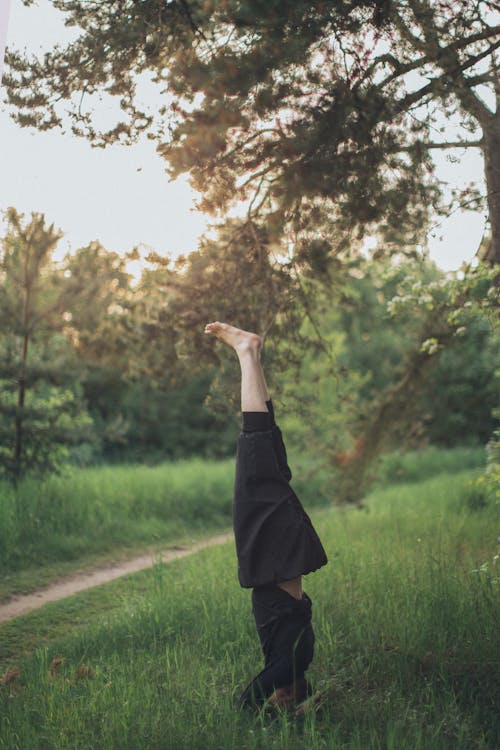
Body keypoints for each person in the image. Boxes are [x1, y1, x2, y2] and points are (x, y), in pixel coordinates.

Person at [204, 322, 328, 711]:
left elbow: (280, 676)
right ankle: (245, 351)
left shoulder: (299, 659)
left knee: (266, 442)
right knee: (257, 445)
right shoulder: (290, 663)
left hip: (281, 547)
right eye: (280, 699)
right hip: (274, 544)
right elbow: (247, 702)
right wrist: (277, 713)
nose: (276, 696)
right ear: (287, 693)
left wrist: (298, 699)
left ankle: (251, 354)